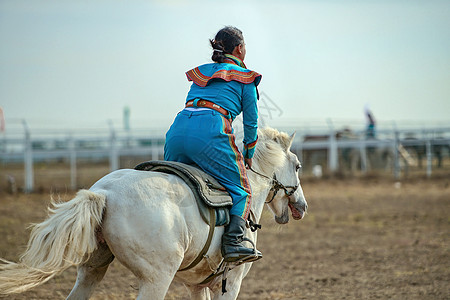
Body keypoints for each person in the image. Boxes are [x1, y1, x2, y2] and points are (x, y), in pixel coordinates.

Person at [164, 26, 262, 262]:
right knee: (242, 191)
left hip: (178, 129)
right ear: (239, 49)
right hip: (210, 130)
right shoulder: (245, 79)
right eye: (245, 47)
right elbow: (251, 124)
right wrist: (248, 152)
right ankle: (232, 244)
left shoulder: (202, 74)